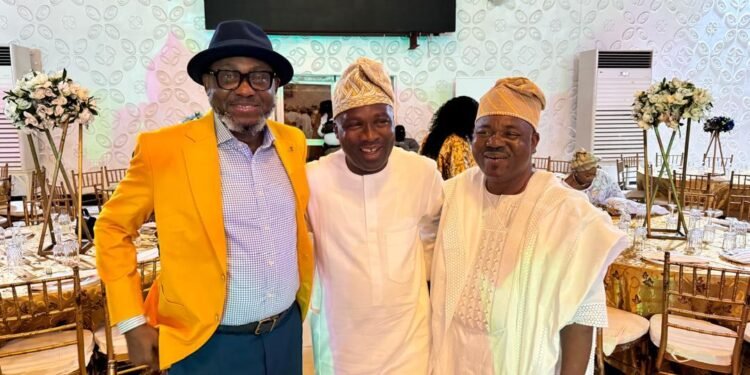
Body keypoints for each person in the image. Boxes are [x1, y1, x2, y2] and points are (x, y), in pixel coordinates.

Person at [95, 20, 314, 374]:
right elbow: (111, 229)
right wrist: (131, 320)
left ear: (274, 86)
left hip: (285, 334)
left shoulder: (292, 143)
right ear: (207, 83)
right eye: (229, 76)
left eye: (260, 77)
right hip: (205, 345)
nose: (245, 89)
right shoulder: (163, 150)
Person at [429, 77, 627, 374]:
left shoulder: (568, 213)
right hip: (451, 360)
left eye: (511, 133)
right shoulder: (452, 194)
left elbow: (581, 317)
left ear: (534, 141)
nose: (494, 142)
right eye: (484, 132)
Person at [306, 57, 443, 374]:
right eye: (354, 124)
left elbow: (439, 239)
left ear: (394, 122)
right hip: (341, 349)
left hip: (410, 347)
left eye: (381, 121)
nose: (370, 136)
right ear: (337, 130)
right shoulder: (312, 180)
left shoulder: (422, 173)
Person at [420, 96, 478, 179]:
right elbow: (462, 179)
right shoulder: (458, 142)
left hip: (429, 188)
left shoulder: (429, 138)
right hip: (449, 191)